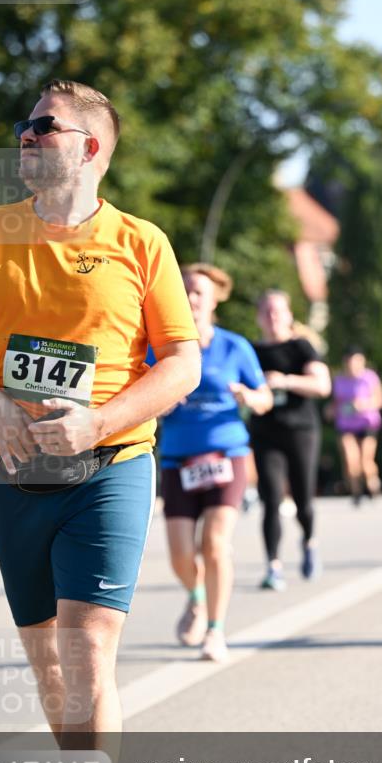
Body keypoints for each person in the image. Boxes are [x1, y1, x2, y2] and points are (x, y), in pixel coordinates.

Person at [0, 79, 201, 763]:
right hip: (11, 476)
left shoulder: (140, 242)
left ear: (89, 147)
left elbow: (182, 363)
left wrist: (97, 422)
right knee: (49, 665)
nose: (23, 136)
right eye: (22, 125)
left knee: (88, 647)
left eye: (41, 126)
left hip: (108, 466)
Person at [155, 263, 272, 661]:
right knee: (180, 553)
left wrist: (250, 398)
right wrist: (161, 402)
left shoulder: (234, 346)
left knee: (215, 544)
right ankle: (195, 594)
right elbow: (143, 396)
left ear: (214, 299)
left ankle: (216, 632)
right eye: (184, 290)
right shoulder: (162, 347)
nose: (190, 298)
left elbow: (265, 396)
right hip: (177, 458)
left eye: (198, 292)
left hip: (226, 454)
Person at [250, 289, 331, 590]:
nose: (273, 317)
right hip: (265, 432)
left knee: (302, 499)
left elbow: (322, 385)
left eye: (278, 311)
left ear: (288, 315)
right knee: (270, 499)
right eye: (267, 311)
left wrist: (284, 381)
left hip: (300, 430)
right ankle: (273, 566)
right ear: (259, 317)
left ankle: (309, 541)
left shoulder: (301, 348)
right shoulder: (252, 351)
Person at [329, 347, 382, 504]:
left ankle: (373, 483)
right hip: (346, 424)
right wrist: (331, 410)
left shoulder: (369, 378)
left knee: (366, 461)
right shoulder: (339, 379)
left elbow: (379, 400)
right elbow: (336, 402)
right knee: (350, 458)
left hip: (367, 423)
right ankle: (356, 492)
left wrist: (363, 405)